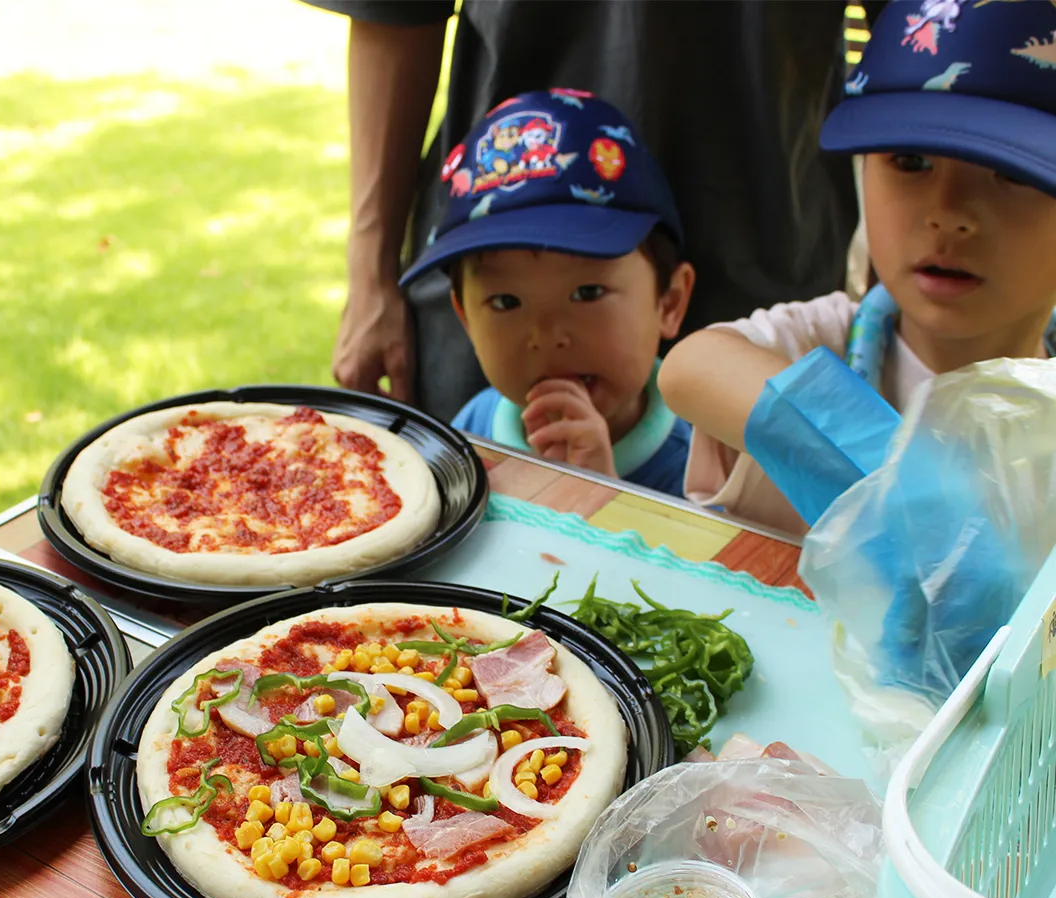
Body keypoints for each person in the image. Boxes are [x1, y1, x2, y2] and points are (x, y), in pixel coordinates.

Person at [303, 0, 878, 421]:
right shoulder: (481, 416)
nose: (550, 336)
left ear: (671, 299)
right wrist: (370, 271)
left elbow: (919, 36)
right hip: (487, 230)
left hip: (766, 253)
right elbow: (393, 11)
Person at [658, 0, 1056, 537]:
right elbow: (690, 367)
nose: (948, 214)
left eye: (1012, 172)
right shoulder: (824, 342)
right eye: (911, 162)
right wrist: (887, 467)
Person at [398, 91, 695, 496]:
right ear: (465, 317)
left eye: (587, 292)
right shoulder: (476, 427)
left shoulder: (705, 467)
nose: (547, 335)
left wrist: (602, 494)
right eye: (506, 302)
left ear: (670, 301)